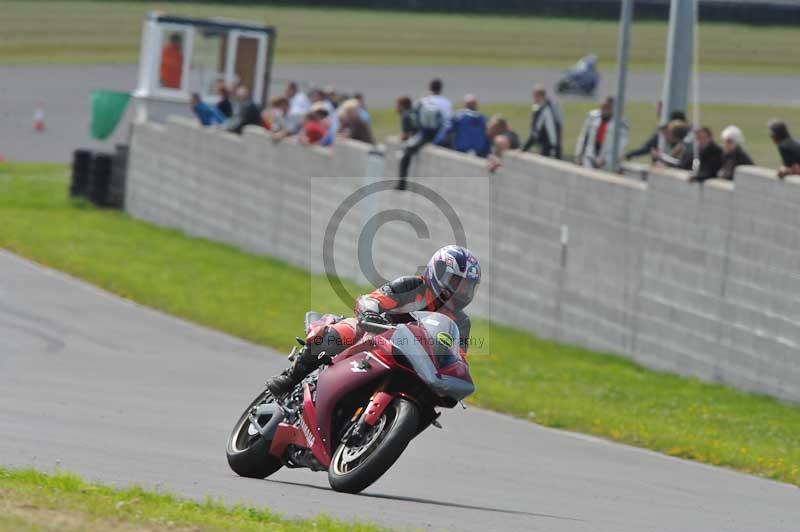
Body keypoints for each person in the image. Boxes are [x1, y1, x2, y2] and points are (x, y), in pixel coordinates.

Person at [265, 245, 481, 398]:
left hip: (412, 360)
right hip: (372, 335)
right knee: (336, 336)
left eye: (467, 287)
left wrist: (457, 374)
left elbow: (458, 356)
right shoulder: (413, 286)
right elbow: (373, 299)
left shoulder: (461, 322)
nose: (461, 291)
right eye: (456, 282)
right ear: (438, 272)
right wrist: (370, 313)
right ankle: (291, 377)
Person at [397, 79, 452, 184]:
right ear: (441, 89)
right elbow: (448, 121)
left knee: (407, 152)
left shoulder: (424, 101)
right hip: (446, 135)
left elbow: (416, 119)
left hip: (428, 135)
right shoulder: (447, 102)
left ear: (429, 87)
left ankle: (402, 183)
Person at [574, 96, 628, 169]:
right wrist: (578, 154)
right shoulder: (592, 116)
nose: (605, 110)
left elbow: (620, 145)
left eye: (608, 108)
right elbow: (583, 137)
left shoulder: (620, 123)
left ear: (613, 109)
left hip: (607, 162)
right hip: (590, 157)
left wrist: (606, 159)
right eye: (603, 107)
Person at [521, 84, 562, 159]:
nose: (533, 98)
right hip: (549, 145)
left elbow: (540, 131)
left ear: (540, 96)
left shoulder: (545, 110)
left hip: (550, 147)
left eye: (534, 96)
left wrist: (523, 149)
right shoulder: (541, 107)